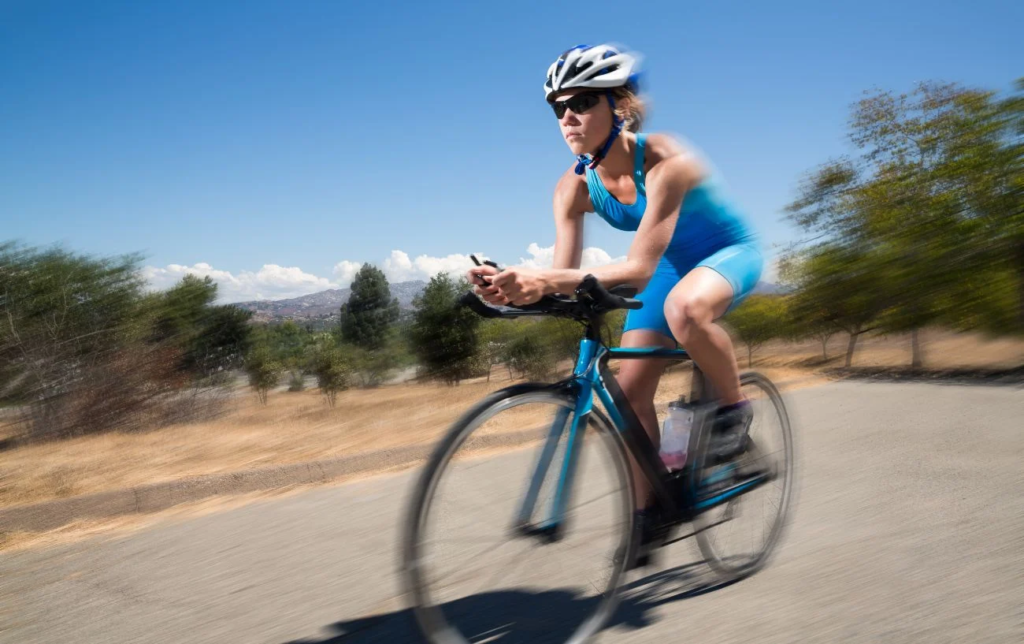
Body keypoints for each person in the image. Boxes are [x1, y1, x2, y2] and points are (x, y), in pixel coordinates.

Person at [468, 44, 763, 561]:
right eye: (557, 107)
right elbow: (564, 272)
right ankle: (651, 511)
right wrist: (514, 284)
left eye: (581, 101)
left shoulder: (666, 159)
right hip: (669, 264)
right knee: (628, 396)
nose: (567, 117)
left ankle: (735, 414)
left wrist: (544, 277)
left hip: (726, 251)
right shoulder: (572, 187)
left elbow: (637, 270)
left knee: (685, 311)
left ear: (619, 105)